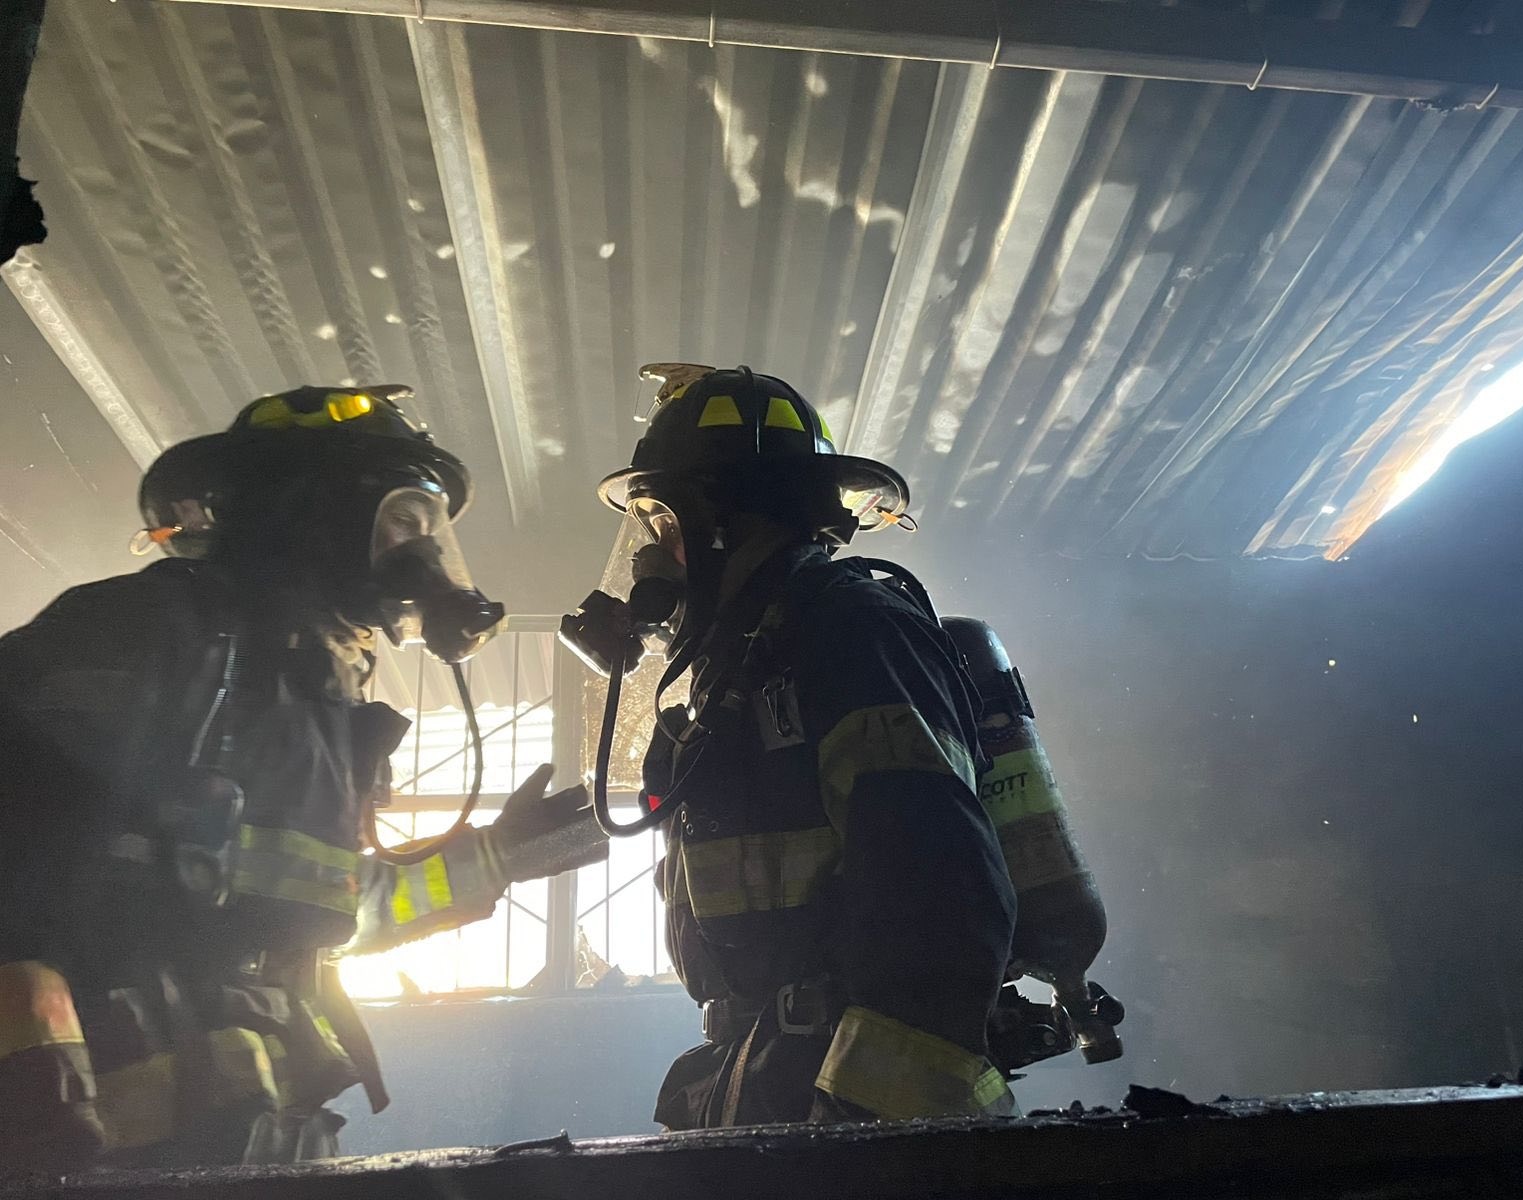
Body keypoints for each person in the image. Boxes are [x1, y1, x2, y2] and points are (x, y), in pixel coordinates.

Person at [0, 385, 604, 1170]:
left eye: (433, 529)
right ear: (313, 513)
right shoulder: (148, 631)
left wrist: (493, 859)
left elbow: (323, 912)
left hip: (253, 1146)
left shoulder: (321, 697)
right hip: (94, 1150)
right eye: (405, 521)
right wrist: (31, 1081)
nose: (425, 553)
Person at [565, 363, 1020, 1127]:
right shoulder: (746, 663)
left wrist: (861, 1142)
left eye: (664, 526)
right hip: (775, 1070)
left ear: (718, 519)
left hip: (851, 1099)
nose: (651, 559)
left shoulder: (848, 631)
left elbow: (944, 899)